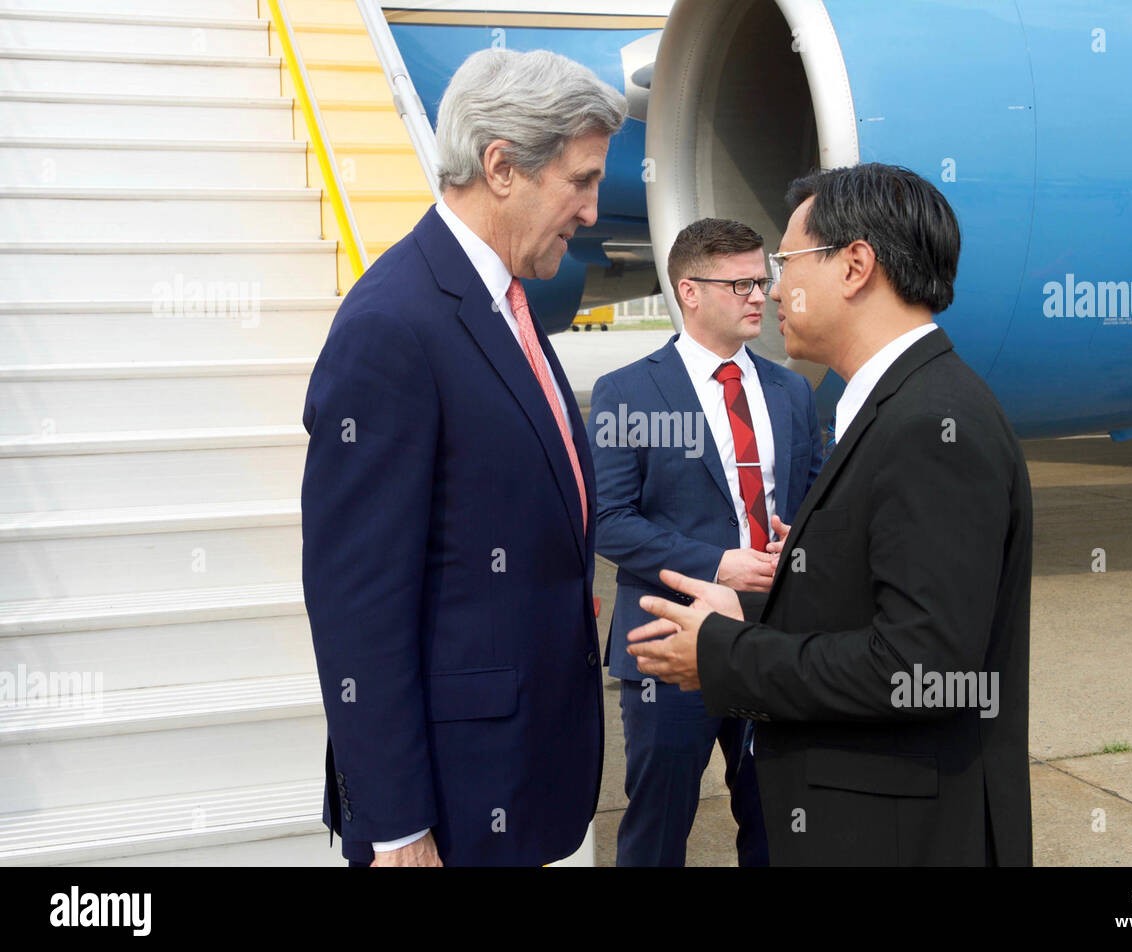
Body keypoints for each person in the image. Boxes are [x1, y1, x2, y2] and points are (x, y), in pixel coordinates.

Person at [626, 163, 1034, 866]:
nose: (774, 288)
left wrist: (724, 651)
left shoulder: (931, 424)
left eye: (786, 263)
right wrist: (758, 607)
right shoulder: (898, 407)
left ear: (855, 266)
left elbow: (919, 664)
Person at [300, 49, 626, 866]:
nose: (591, 211)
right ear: (502, 166)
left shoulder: (503, 304)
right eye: (581, 181)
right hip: (447, 810)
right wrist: (399, 825)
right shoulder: (393, 326)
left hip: (515, 785)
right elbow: (357, 606)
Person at [587, 218, 823, 866]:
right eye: (740, 282)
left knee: (777, 821)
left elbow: (819, 504)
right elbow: (609, 519)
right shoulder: (628, 392)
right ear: (689, 291)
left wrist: (796, 542)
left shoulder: (791, 390)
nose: (759, 295)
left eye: (762, 279)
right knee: (658, 828)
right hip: (669, 639)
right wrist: (719, 563)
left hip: (773, 639)